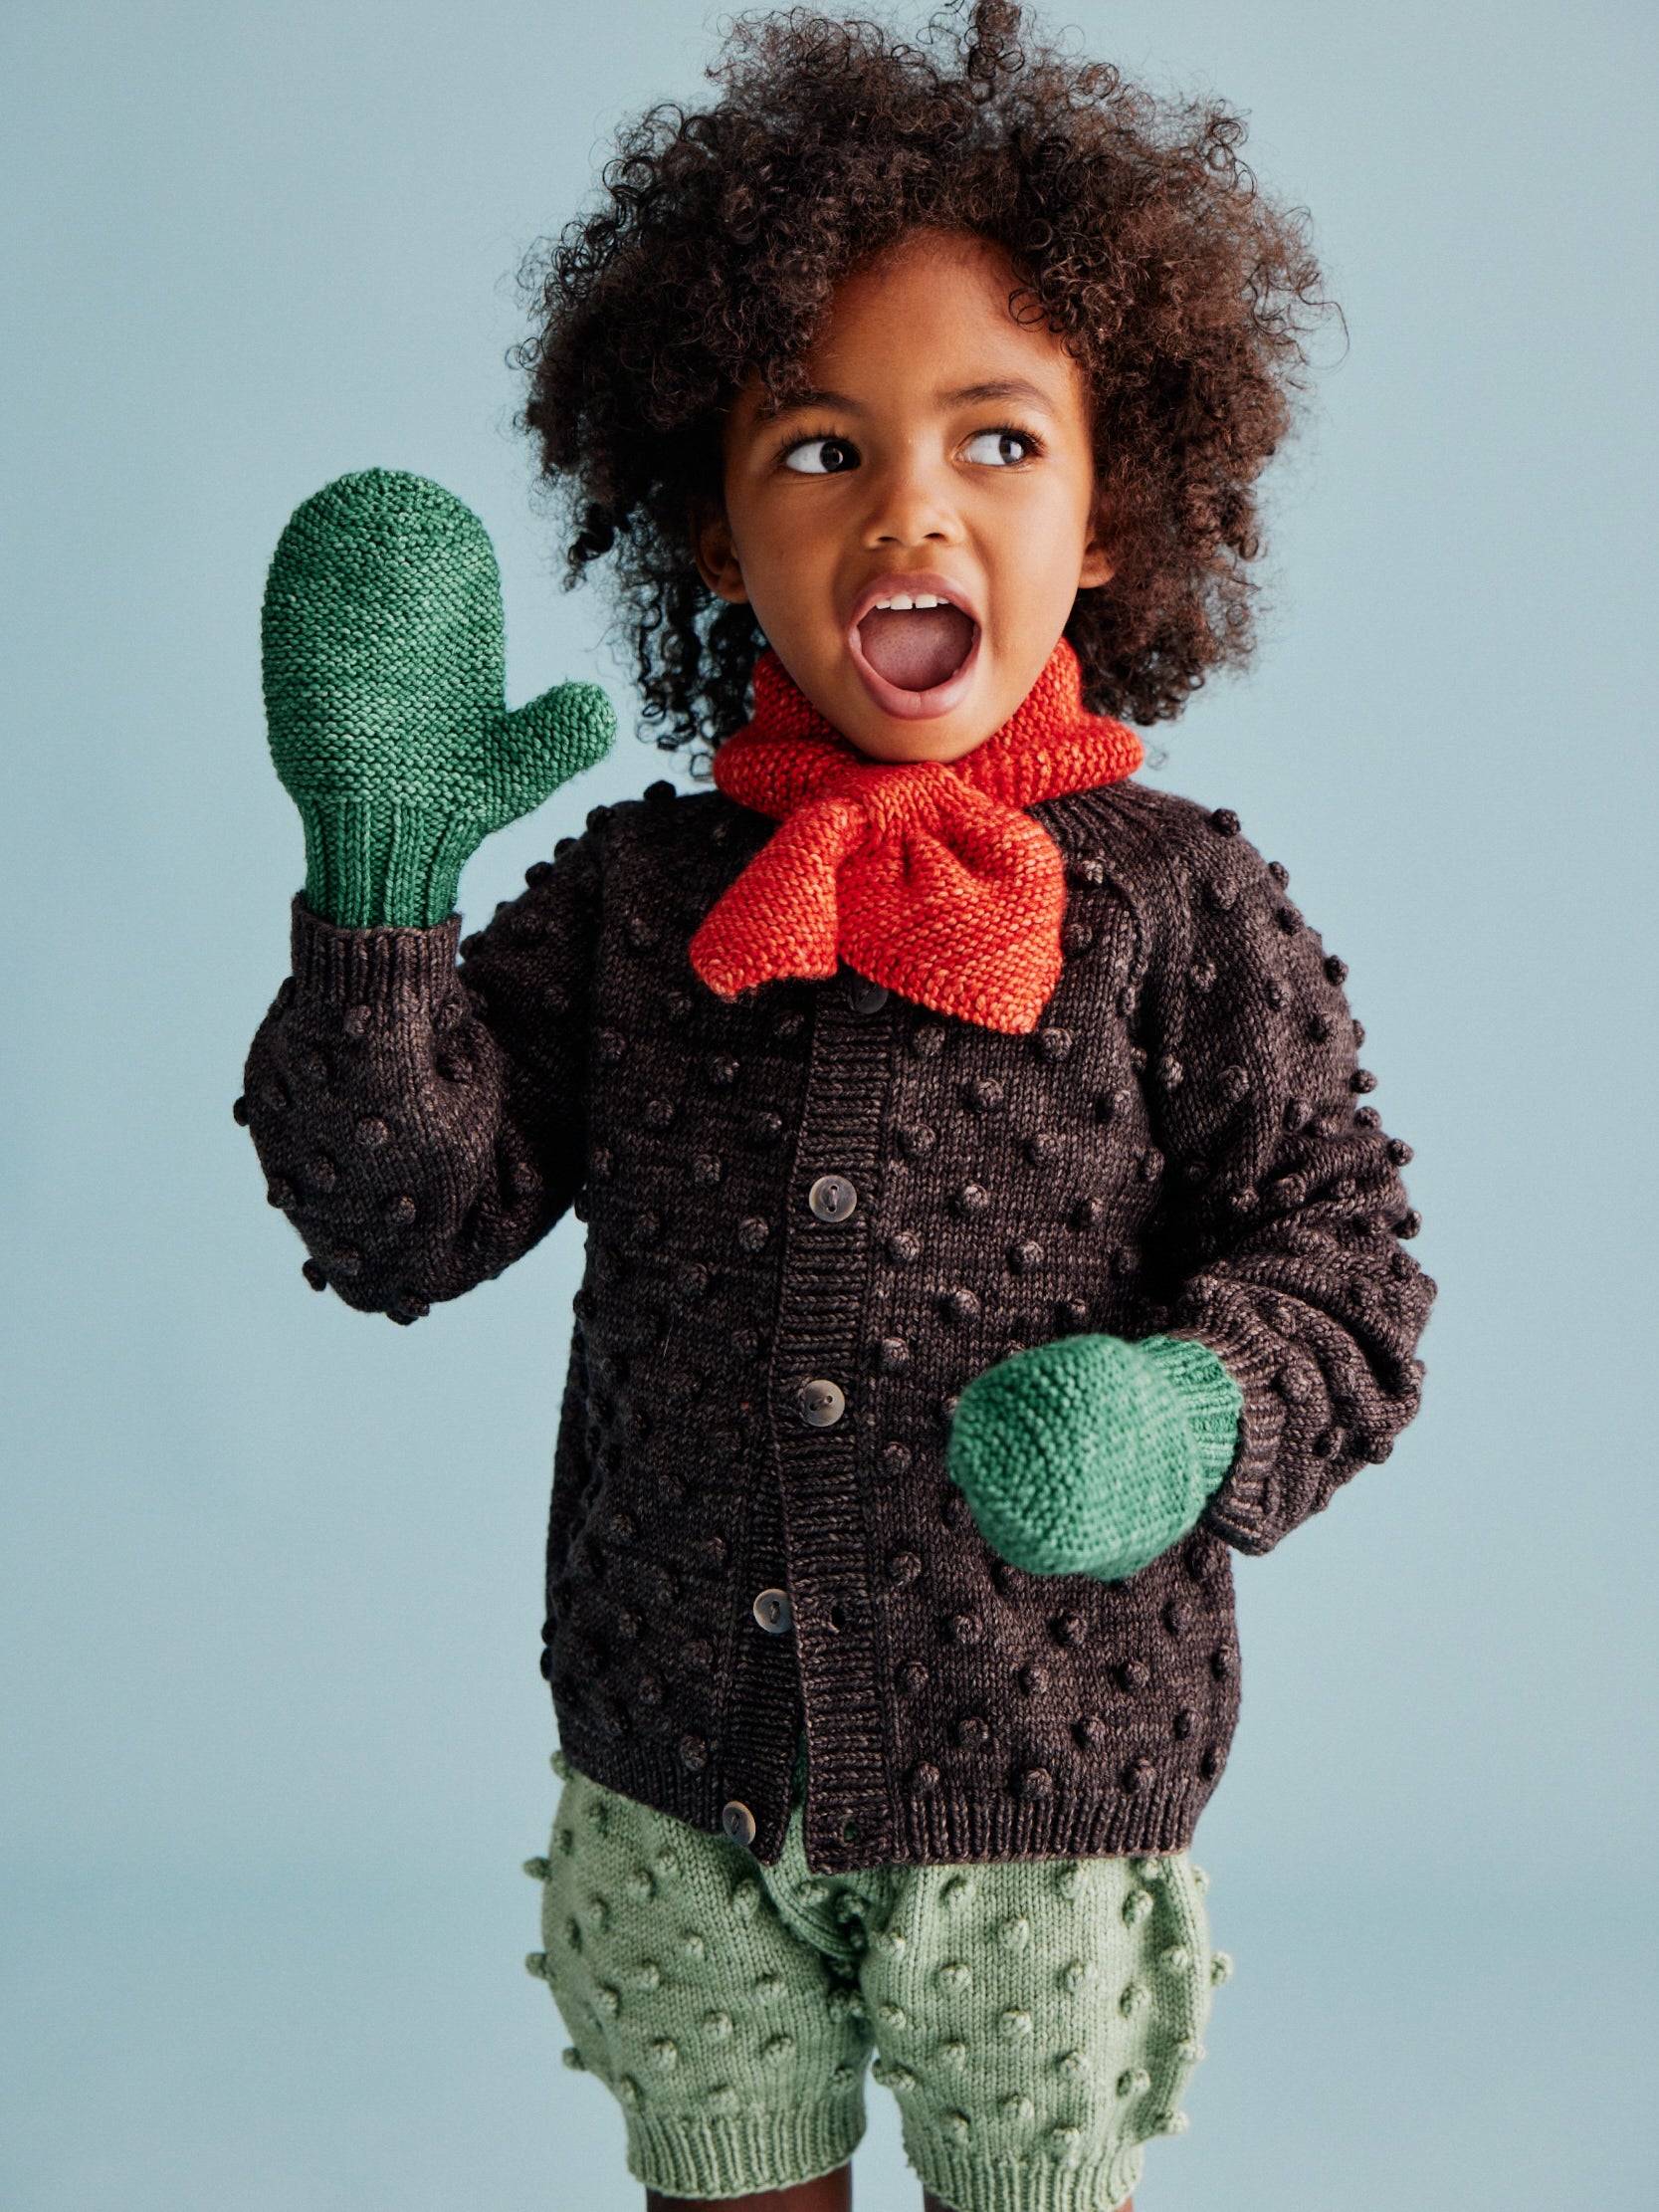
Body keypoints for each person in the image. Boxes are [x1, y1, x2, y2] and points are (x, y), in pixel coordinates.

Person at [240, 6, 1434, 2207]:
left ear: (1110, 510)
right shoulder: (639, 897)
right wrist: (381, 888)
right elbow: (405, 1218)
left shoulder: (1182, 905)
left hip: (1041, 1782)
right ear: (713, 528)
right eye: (817, 447)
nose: (909, 506)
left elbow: (1345, 1272)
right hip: (676, 1763)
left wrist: (1183, 1413)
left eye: (999, 441)